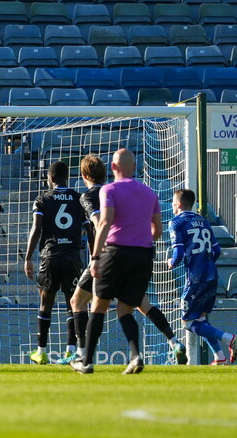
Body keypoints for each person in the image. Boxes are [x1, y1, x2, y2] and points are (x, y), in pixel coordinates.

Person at [69, 155, 186, 365]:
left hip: (109, 255)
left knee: (81, 302)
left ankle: (82, 355)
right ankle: (173, 341)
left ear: (84, 175)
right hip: (139, 254)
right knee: (138, 305)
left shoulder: (93, 195)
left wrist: (98, 255)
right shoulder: (144, 193)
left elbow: (99, 223)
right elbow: (156, 229)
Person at [24, 161, 89, 365]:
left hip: (50, 257)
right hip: (72, 257)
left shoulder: (43, 199)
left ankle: (41, 352)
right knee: (74, 304)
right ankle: (71, 351)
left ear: (51, 178)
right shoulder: (79, 199)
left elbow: (36, 230)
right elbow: (90, 229)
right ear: (66, 177)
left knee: (46, 304)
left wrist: (27, 257)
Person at [168, 188, 237, 365]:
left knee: (188, 323)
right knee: (200, 319)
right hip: (212, 275)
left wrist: (171, 262)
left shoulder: (176, 222)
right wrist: (205, 262)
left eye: (173, 203)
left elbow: (178, 254)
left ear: (178, 204)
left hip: (196, 278)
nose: (172, 206)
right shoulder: (203, 221)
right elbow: (217, 250)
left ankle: (229, 338)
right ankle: (219, 357)